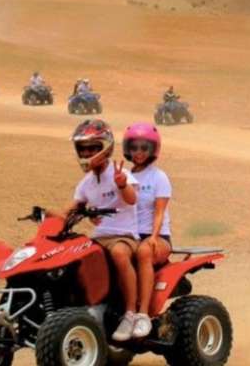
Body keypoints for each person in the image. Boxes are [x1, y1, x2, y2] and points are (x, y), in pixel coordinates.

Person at [56, 120, 140, 341]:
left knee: (119, 254)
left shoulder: (121, 173)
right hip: (99, 237)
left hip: (124, 235)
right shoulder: (85, 184)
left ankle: (131, 313)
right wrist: (49, 216)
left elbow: (132, 200)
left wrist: (122, 184)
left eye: (92, 147)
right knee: (73, 257)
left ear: (106, 147)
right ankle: (89, 306)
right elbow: (71, 208)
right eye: (82, 148)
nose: (86, 153)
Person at [124, 122, 172, 339]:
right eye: (134, 148)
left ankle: (142, 314)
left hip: (158, 236)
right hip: (130, 234)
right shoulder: (124, 175)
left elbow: (160, 212)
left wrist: (153, 236)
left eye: (144, 148)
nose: (139, 153)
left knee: (143, 252)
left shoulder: (158, 177)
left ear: (153, 150)